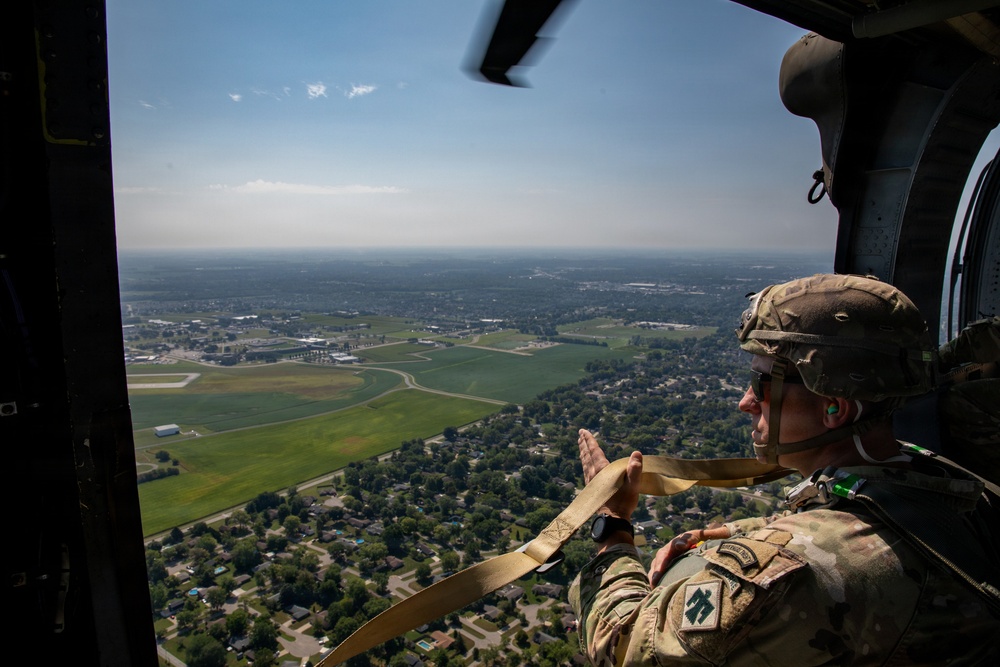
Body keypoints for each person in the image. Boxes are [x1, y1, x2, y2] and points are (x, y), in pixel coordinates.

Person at [570, 273, 999, 666]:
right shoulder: (934, 477)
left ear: (835, 407)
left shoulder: (801, 576)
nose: (746, 401)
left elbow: (626, 646)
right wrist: (729, 534)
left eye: (762, 383)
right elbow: (847, 522)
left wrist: (613, 529)